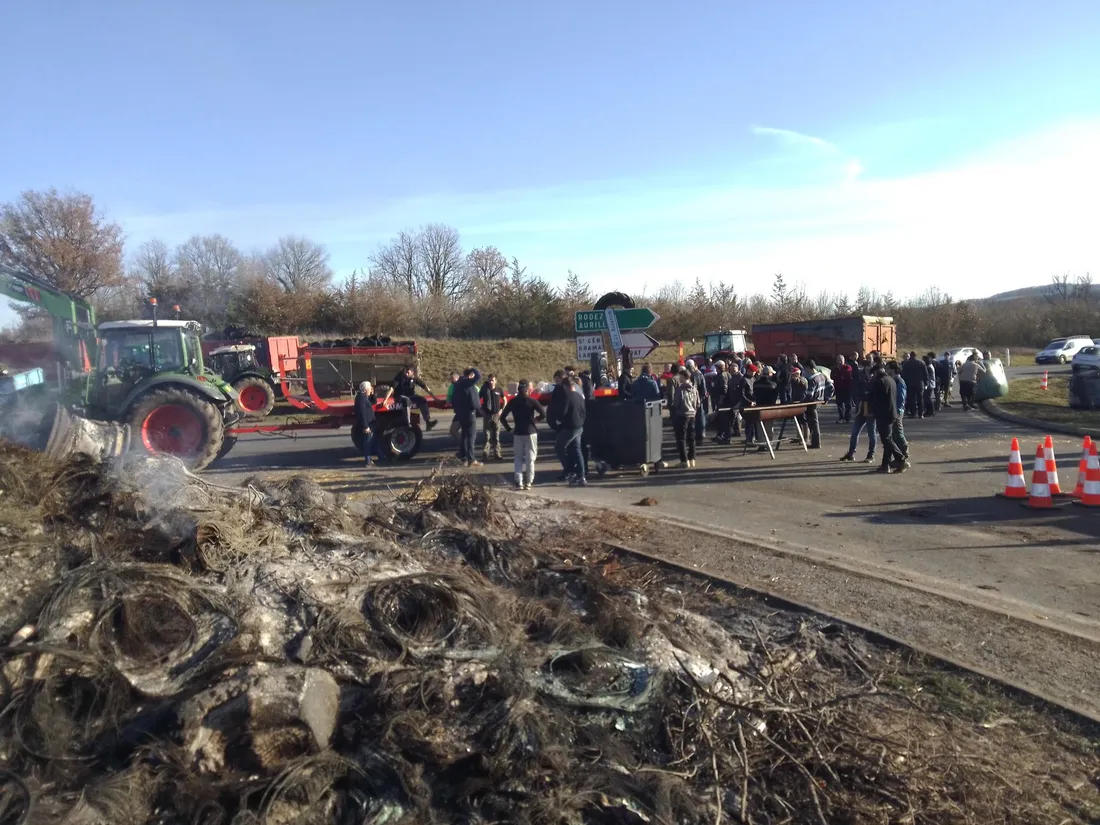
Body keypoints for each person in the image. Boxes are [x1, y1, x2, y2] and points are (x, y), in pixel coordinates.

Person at [501, 380, 546, 490]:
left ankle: (519, 482)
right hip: (531, 431)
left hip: (518, 432)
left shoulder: (513, 401)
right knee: (530, 459)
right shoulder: (532, 401)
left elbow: (502, 417)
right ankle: (529, 482)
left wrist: (508, 429)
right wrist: (536, 419)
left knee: (518, 458)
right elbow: (543, 414)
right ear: (527, 389)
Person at [550, 375, 587, 486]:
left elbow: (563, 413)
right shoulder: (580, 396)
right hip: (579, 426)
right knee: (577, 450)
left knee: (559, 448)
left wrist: (558, 421)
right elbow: (584, 412)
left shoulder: (567, 396)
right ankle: (581, 475)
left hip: (569, 427)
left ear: (566, 386)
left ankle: (569, 470)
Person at [839, 363, 877, 463]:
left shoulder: (876, 382)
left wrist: (866, 395)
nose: (869, 372)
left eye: (870, 370)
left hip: (871, 411)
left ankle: (871, 455)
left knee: (871, 434)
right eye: (867, 370)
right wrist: (864, 396)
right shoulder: (861, 381)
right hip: (860, 409)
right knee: (854, 432)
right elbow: (857, 394)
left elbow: (874, 396)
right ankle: (851, 453)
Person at [870, 364, 904, 473]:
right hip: (892, 413)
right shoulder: (891, 380)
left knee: (887, 440)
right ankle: (886, 465)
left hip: (882, 414)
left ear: (875, 373)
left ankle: (900, 459)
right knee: (887, 440)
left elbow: (873, 398)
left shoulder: (878, 382)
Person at [386, 366, 437, 430]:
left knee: (422, 400)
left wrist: (435, 398)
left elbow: (425, 388)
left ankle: (428, 422)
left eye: (408, 372)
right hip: (400, 396)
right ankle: (408, 422)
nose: (406, 374)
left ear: (412, 373)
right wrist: (385, 400)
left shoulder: (414, 378)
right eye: (405, 372)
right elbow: (391, 388)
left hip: (411, 395)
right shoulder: (399, 377)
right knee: (407, 401)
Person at [451, 367, 482, 466]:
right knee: (471, 437)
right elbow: (479, 376)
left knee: (464, 436)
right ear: (470, 375)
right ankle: (471, 459)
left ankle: (464, 458)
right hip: (469, 412)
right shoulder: (467, 382)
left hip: (461, 413)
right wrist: (473, 369)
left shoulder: (458, 384)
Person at [885, 362, 911, 470]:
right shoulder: (894, 381)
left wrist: (897, 412)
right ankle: (899, 457)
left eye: (888, 369)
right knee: (894, 435)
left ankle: (904, 453)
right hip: (894, 411)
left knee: (898, 433)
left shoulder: (899, 381)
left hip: (897, 412)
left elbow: (901, 398)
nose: (887, 371)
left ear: (894, 369)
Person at [672, 367, 700, 468]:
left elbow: (676, 403)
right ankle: (692, 458)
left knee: (681, 438)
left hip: (682, 414)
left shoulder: (680, 389)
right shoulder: (694, 388)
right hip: (692, 414)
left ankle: (684, 460)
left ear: (683, 377)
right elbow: (698, 403)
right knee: (691, 438)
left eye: (680, 376)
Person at [479, 373, 506, 460]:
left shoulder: (499, 390)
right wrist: (481, 411)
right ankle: (485, 453)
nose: (491, 382)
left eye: (492, 380)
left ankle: (497, 453)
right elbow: (477, 400)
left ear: (495, 381)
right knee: (487, 435)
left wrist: (501, 410)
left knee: (496, 435)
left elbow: (505, 399)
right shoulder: (484, 390)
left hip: (496, 415)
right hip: (487, 414)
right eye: (489, 380)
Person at [353, 381, 377, 466]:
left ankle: (373, 459)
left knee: (370, 441)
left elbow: (373, 402)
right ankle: (368, 461)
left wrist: (373, 394)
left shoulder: (364, 397)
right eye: (370, 388)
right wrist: (365, 426)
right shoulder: (361, 398)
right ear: (365, 389)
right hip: (367, 424)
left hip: (369, 423)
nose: (371, 389)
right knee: (368, 442)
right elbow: (361, 413)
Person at [685, 359, 707, 444]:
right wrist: (701, 399)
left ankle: (691, 436)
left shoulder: (687, 375)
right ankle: (701, 434)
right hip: (698, 400)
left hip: (689, 401)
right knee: (700, 417)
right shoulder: (700, 374)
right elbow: (703, 389)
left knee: (690, 419)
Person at [900, 352, 926, 419]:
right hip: (919, 383)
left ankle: (913, 413)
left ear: (910, 356)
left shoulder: (906, 364)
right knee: (920, 398)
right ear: (916, 356)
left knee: (911, 399)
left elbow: (903, 375)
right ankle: (921, 413)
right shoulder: (921, 363)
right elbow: (925, 374)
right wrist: (926, 383)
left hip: (910, 383)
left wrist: (904, 383)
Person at [833, 355, 854, 423]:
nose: (839, 361)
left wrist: (839, 376)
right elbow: (832, 376)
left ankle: (847, 418)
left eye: (841, 360)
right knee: (839, 404)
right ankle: (841, 418)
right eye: (838, 360)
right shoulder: (835, 368)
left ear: (844, 360)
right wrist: (839, 376)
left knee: (848, 404)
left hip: (847, 388)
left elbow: (846, 375)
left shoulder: (848, 367)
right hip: (838, 389)